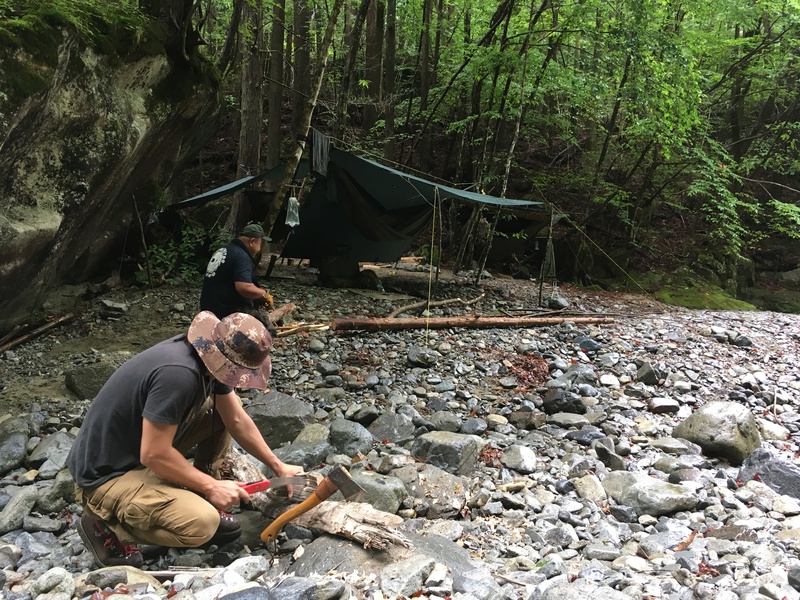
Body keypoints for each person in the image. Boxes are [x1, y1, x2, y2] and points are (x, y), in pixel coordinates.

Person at [66, 311, 303, 568]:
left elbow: (235, 419)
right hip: (104, 475)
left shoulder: (211, 356)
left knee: (218, 413)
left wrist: (278, 466)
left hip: (135, 449)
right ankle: (103, 524)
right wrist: (210, 487)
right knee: (202, 525)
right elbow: (153, 454)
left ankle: (198, 494)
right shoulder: (178, 375)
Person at [200, 223, 275, 321]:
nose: (260, 248)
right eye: (260, 243)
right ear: (252, 241)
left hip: (208, 308)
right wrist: (264, 294)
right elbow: (244, 287)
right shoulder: (242, 256)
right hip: (226, 311)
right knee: (267, 330)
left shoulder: (224, 250)